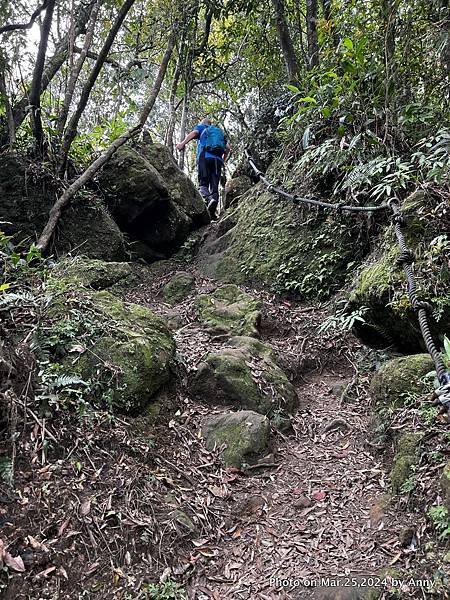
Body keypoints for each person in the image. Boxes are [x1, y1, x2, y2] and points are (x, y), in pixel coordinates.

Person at [176, 118, 231, 220]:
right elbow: (228, 148)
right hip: (217, 160)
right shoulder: (219, 132)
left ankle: (209, 201)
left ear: (203, 123)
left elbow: (193, 133)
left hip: (204, 156)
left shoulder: (201, 127)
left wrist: (182, 144)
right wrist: (222, 160)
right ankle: (213, 208)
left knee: (203, 183)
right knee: (214, 185)